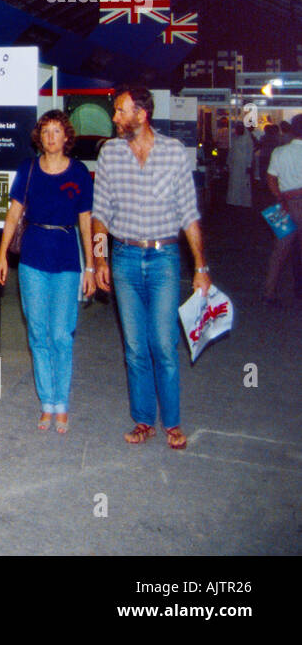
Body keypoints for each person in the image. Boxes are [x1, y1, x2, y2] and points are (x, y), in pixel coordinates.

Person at [92, 86, 210, 451]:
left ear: (141, 114)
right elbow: (100, 215)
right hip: (125, 259)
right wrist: (100, 259)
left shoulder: (174, 153)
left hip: (164, 259)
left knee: (163, 343)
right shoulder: (109, 154)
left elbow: (189, 215)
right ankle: (144, 420)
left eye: (119, 110)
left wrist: (202, 267)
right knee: (135, 346)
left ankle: (172, 423)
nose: (114, 118)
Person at [0, 110, 96, 434]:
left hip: (67, 260)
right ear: (40, 137)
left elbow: (86, 222)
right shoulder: (28, 170)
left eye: (57, 131)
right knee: (38, 333)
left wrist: (91, 266)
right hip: (32, 260)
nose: (51, 136)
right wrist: (1, 256)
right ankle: (47, 402)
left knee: (61, 335)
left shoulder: (79, 172)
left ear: (66, 137)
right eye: (46, 131)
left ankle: (62, 404)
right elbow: (13, 216)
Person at [263, 114, 302, 303]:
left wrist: (280, 197)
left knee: (279, 252)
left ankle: (269, 292)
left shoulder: (279, 152)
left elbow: (270, 178)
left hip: (286, 203)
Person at [225, 121, 255, 208]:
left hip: (243, 164)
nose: (238, 129)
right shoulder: (233, 137)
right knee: (234, 182)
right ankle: (233, 200)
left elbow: (250, 152)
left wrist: (249, 165)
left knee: (244, 182)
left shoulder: (247, 139)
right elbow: (231, 151)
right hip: (234, 164)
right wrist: (228, 162)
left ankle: (244, 201)